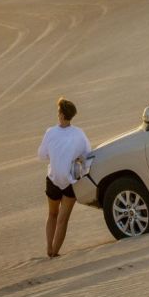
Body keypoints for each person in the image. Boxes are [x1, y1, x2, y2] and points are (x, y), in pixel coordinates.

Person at [37, 97, 91, 258]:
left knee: (52, 214)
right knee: (63, 219)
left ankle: (49, 248)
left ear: (60, 114)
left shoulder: (50, 132)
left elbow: (41, 155)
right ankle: (55, 251)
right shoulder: (79, 134)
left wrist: (55, 154)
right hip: (70, 181)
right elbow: (87, 153)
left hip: (53, 178)